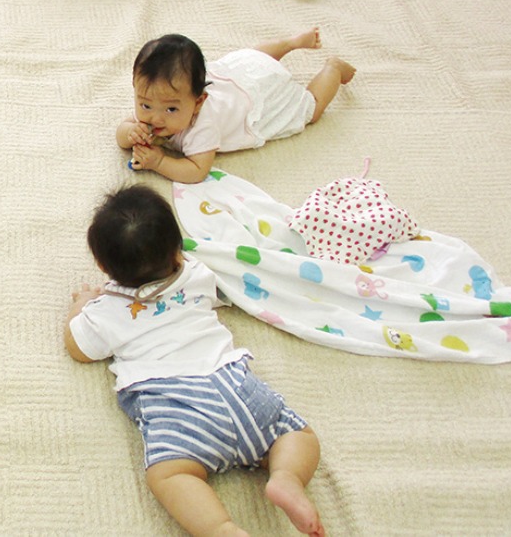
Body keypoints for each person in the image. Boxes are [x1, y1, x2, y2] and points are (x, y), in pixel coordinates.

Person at [64, 185, 324, 537]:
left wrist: (81, 304)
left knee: (169, 475)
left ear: (101, 265)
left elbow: (79, 349)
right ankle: (287, 478)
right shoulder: (198, 274)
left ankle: (220, 528)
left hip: (177, 403)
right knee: (297, 435)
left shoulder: (105, 312)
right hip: (236, 387)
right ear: (177, 250)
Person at [116, 28, 356, 183]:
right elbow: (122, 133)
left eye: (171, 110)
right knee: (254, 57)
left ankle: (332, 69)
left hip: (262, 97)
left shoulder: (203, 125)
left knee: (310, 110)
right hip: (242, 72)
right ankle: (290, 43)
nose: (155, 119)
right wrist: (129, 132)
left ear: (199, 103)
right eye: (145, 105)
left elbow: (197, 170)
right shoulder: (161, 94)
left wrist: (159, 162)